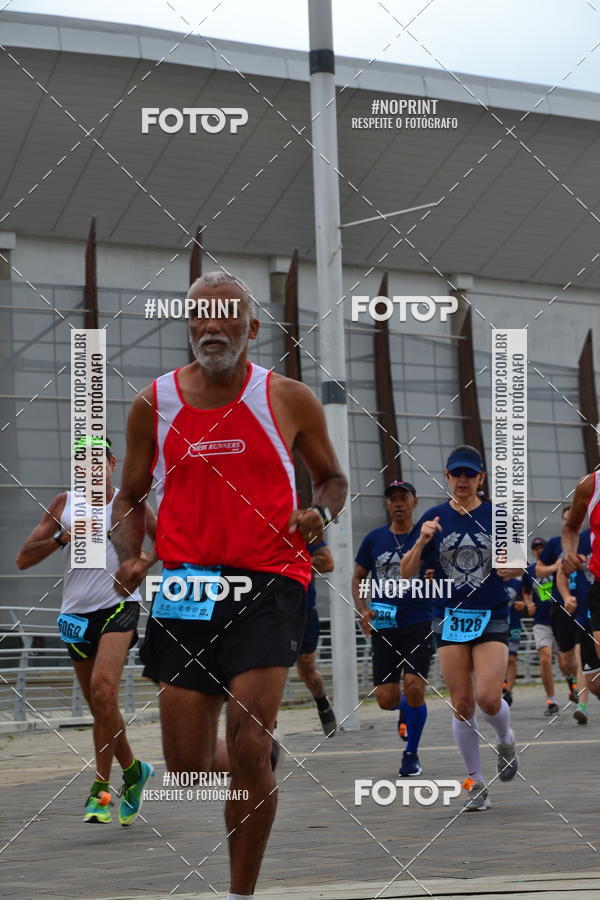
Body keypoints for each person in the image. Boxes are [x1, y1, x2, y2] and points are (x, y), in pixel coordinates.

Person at [111, 272, 347, 900]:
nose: (212, 326)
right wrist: (131, 556)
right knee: (189, 771)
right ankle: (258, 760)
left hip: (270, 579)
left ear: (252, 327)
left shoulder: (288, 397)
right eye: (200, 315)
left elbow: (332, 479)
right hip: (187, 587)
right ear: (188, 325)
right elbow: (129, 497)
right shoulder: (153, 404)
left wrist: (318, 514)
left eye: (227, 314)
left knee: (246, 740)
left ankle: (241, 892)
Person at [16, 436, 156, 825]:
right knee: (101, 706)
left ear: (112, 463)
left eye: (98, 461)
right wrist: (62, 537)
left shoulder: (128, 503)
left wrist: (141, 565)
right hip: (76, 615)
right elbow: (23, 558)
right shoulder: (65, 504)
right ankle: (134, 772)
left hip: (119, 605)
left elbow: (166, 541)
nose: (91, 469)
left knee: (102, 691)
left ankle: (100, 790)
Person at [401, 445, 521, 812]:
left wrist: (514, 567)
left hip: (491, 614)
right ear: (447, 477)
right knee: (462, 703)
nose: (463, 480)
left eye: (470, 474)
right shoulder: (433, 518)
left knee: (488, 698)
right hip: (449, 617)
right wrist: (422, 540)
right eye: (457, 474)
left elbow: (520, 565)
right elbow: (405, 572)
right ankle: (475, 783)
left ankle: (505, 738)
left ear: (481, 478)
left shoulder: (499, 516)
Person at [353, 481, 433, 777]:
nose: (398, 503)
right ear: (387, 505)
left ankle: (411, 754)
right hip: (385, 625)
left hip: (418, 621)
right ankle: (406, 709)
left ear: (415, 502)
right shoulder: (374, 539)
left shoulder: (425, 536)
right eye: (392, 499)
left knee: (414, 687)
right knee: (386, 700)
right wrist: (362, 609)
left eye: (403, 498)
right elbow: (358, 576)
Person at [536, 507, 584, 708]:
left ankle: (584, 697)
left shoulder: (589, 540)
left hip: (585, 603)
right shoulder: (555, 544)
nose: (569, 522)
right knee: (566, 660)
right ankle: (574, 680)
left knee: (583, 651)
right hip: (561, 605)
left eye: (572, 518)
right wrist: (555, 567)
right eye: (565, 519)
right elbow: (538, 570)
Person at [295, 540, 337, 736]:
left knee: (307, 668)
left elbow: (327, 563)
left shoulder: (304, 530)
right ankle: (270, 725)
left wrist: (295, 561)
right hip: (270, 611)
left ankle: (322, 702)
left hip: (303, 609)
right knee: (271, 668)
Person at [554, 528, 595, 723]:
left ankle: (583, 704)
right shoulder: (581, 540)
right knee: (579, 664)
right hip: (585, 613)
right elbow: (562, 573)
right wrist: (566, 597)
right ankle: (582, 704)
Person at [522, 538, 561, 715]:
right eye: (535, 548)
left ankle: (572, 682)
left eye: (541, 547)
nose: (538, 550)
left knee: (566, 662)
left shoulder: (558, 565)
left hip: (561, 619)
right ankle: (551, 701)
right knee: (545, 658)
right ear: (532, 551)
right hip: (541, 621)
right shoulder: (530, 571)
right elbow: (525, 591)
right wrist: (528, 603)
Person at [503, 576, 526, 706]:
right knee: (498, 660)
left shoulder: (518, 583)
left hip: (514, 625)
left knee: (511, 658)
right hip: (495, 626)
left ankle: (508, 692)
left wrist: (523, 605)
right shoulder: (491, 582)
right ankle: (500, 684)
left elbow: (527, 600)